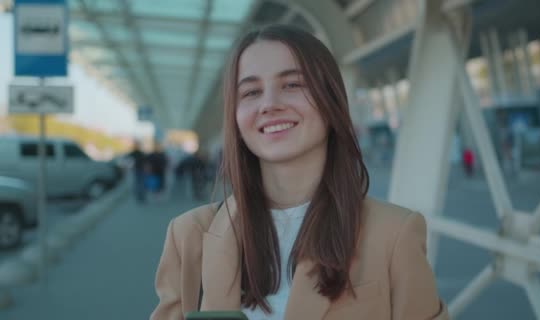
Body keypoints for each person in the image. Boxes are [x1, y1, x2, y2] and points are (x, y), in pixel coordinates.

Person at [151, 25, 447, 320]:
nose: (269, 105)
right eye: (251, 92)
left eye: (292, 85)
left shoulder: (394, 233)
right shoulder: (188, 235)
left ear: (330, 100)